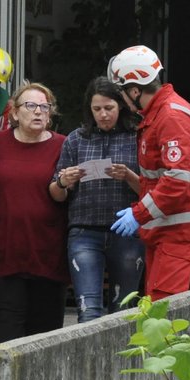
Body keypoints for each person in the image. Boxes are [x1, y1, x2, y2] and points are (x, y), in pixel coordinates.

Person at [107, 45, 190, 299]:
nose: (123, 99)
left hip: (180, 229)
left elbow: (176, 180)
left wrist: (139, 213)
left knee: (162, 307)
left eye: (123, 91)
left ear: (134, 90)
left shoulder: (170, 117)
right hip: (169, 226)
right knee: (156, 303)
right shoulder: (160, 114)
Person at [0, 82, 70, 347]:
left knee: (45, 332)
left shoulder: (63, 145)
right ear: (15, 113)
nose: (38, 112)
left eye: (44, 107)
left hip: (48, 251)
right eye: (30, 106)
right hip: (2, 250)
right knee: (4, 328)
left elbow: (64, 195)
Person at [50, 77, 144, 322]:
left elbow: (153, 190)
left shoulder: (137, 136)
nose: (103, 115)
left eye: (109, 108)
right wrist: (64, 181)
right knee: (87, 309)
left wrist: (128, 176)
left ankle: (121, 361)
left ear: (121, 106)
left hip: (127, 229)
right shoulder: (77, 138)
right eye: (97, 109)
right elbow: (56, 194)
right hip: (84, 230)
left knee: (123, 309)